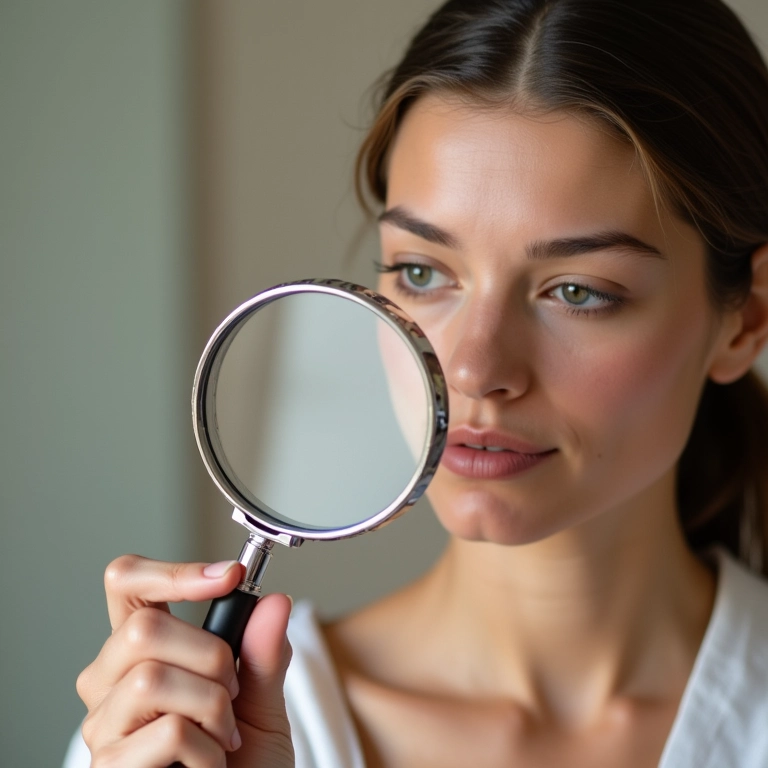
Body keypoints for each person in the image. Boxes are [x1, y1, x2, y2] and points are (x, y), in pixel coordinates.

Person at [65, 0, 768, 765]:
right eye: (423, 273)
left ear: (746, 321)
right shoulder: (183, 729)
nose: (472, 370)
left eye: (577, 291)